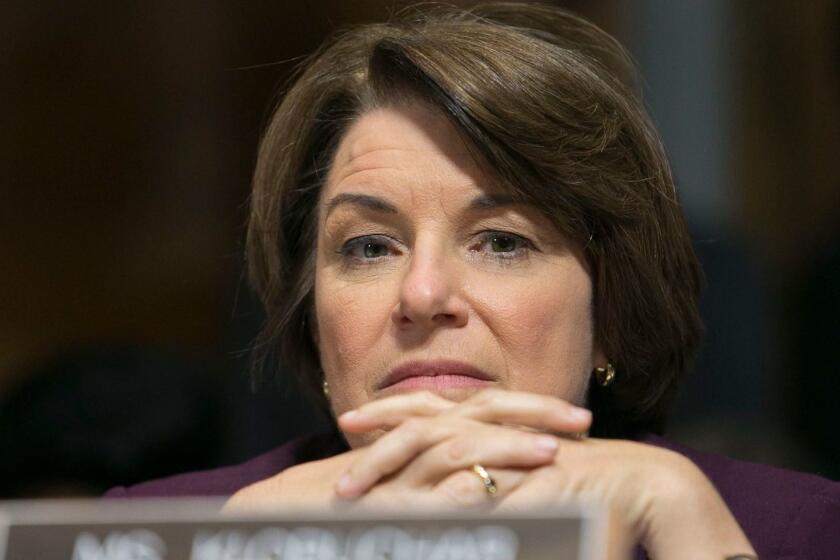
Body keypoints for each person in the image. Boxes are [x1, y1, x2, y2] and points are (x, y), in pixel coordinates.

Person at [106, 3, 840, 558]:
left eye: (501, 242)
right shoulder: (161, 530)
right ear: (311, 313)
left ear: (612, 310)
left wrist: (686, 523)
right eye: (368, 247)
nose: (422, 295)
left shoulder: (791, 529)